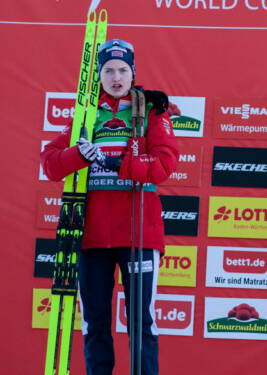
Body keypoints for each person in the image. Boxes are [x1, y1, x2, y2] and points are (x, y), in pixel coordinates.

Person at [41, 39, 179, 375]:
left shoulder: (151, 109)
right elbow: (50, 163)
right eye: (108, 70)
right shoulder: (86, 114)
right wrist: (79, 154)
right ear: (98, 75)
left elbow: (165, 163)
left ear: (133, 73)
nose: (116, 77)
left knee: (140, 324)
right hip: (90, 236)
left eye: (122, 70)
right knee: (95, 323)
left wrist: (117, 164)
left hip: (138, 234)